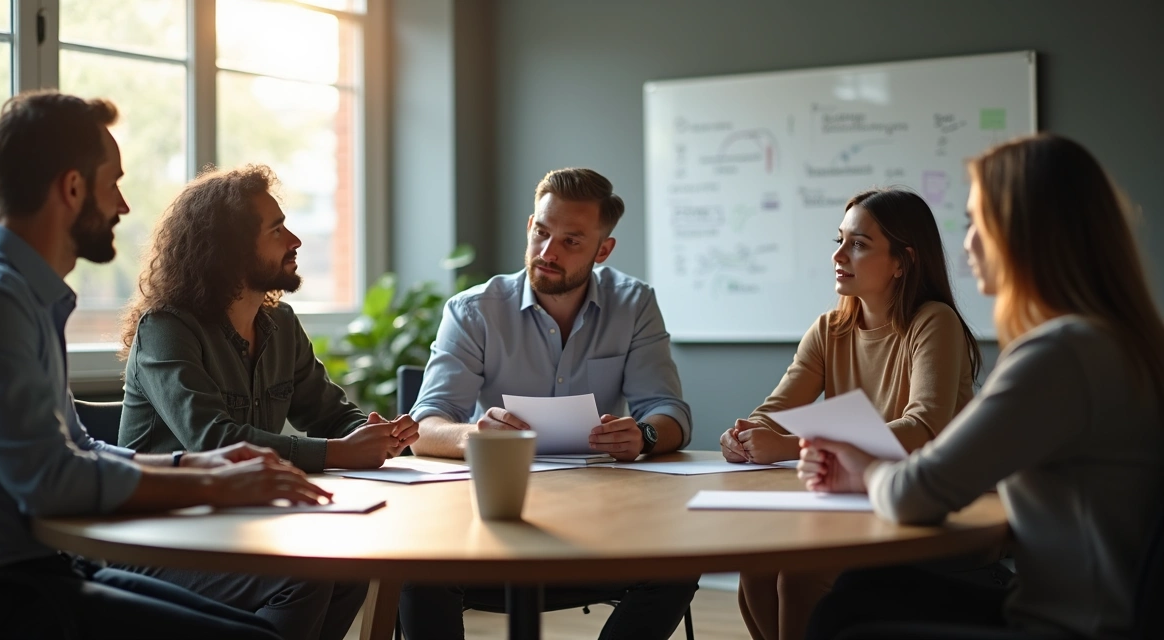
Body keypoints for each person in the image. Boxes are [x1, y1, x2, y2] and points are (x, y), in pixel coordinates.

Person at [0, 90, 332, 640]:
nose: (123, 206)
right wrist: (216, 487)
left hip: (42, 570)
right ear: (72, 188)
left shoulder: (26, 298)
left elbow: (79, 449)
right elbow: (50, 481)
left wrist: (198, 466)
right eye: (114, 185)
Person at [798, 133, 1164, 640]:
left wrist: (865, 470)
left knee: (846, 620)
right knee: (853, 598)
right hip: (1078, 609)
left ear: (1026, 234)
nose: (966, 242)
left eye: (977, 223)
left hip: (1074, 627)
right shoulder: (1118, 341)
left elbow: (916, 495)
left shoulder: (1060, 354)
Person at [116, 164, 416, 639]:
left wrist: (378, 435)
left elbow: (332, 413)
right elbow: (215, 441)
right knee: (305, 574)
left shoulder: (282, 325)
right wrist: (343, 451)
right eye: (277, 230)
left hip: (245, 527)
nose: (295, 240)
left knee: (352, 566)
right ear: (229, 249)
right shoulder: (166, 329)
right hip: (160, 543)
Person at [400, 168, 698, 640]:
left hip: (599, 517)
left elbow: (669, 412)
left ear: (603, 250)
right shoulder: (473, 310)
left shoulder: (634, 304)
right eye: (541, 231)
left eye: (571, 241)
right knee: (419, 571)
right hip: (491, 516)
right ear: (530, 225)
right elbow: (424, 427)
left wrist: (644, 436)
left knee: (678, 567)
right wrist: (476, 434)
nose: (547, 252)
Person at [722, 188, 983, 640]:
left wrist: (787, 444)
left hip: (926, 505)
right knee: (757, 566)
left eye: (859, 244)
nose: (839, 255)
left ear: (902, 261)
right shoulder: (830, 329)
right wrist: (743, 435)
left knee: (801, 575)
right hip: (855, 502)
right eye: (839, 240)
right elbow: (773, 413)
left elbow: (923, 428)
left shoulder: (933, 322)